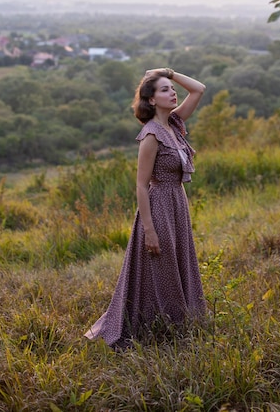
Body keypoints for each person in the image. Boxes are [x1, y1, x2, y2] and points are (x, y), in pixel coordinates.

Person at [84, 67, 207, 349]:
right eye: (164, 90)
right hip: (159, 205)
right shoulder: (151, 135)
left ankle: (182, 322)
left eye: (172, 89)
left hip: (177, 202)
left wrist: (169, 73)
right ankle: (161, 327)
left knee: (178, 262)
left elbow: (198, 88)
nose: (172, 92)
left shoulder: (174, 124)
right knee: (160, 266)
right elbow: (141, 185)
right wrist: (149, 230)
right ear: (151, 100)